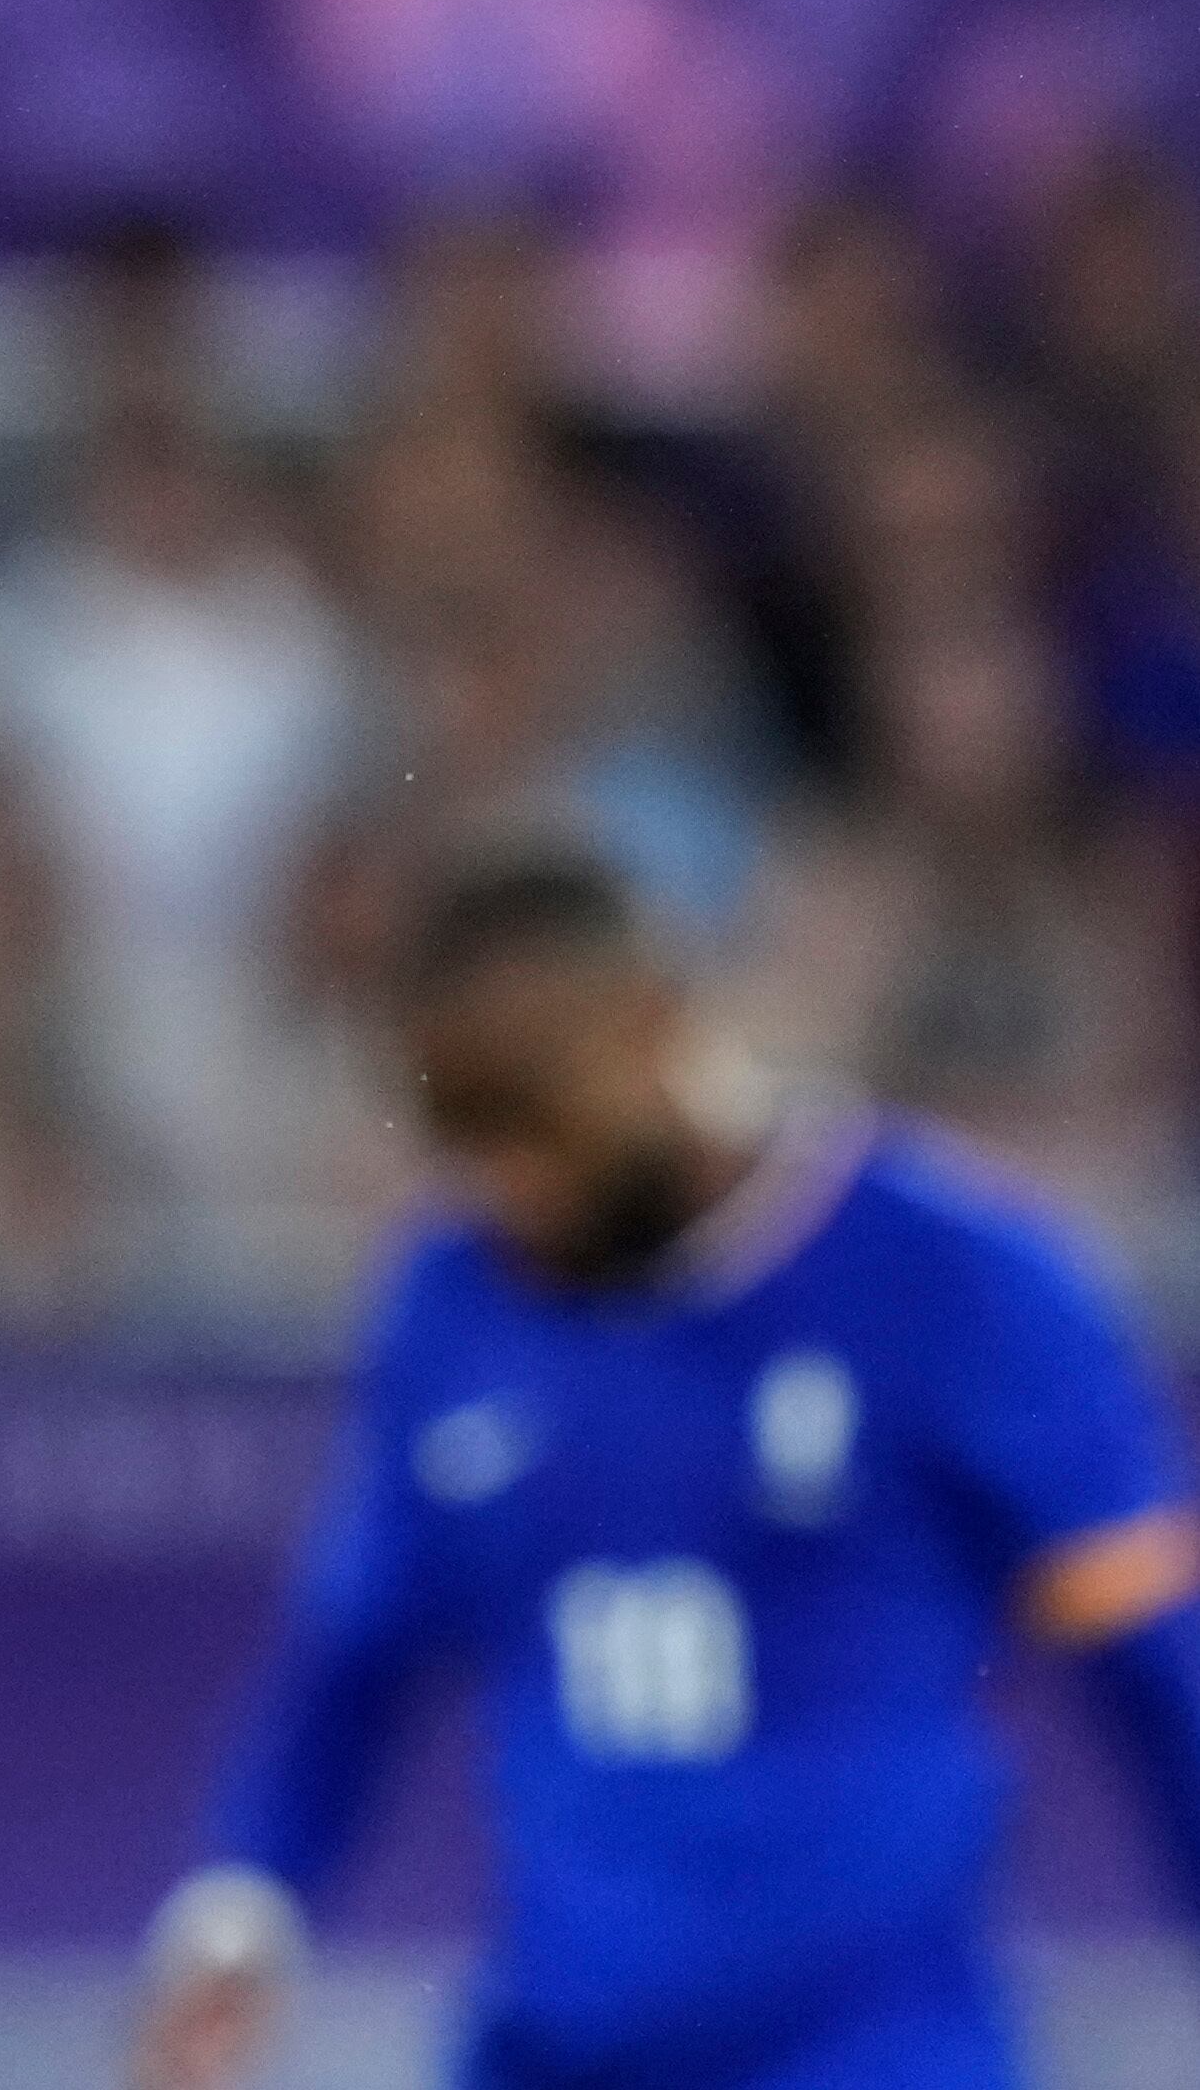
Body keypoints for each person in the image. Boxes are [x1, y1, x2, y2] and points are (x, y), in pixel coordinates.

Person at [131, 843, 1200, 2090]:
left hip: (874, 2050)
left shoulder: (953, 1276)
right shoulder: (453, 1300)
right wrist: (243, 1905)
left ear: (657, 1024)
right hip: (556, 2044)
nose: (511, 1181)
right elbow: (355, 1655)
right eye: (465, 1136)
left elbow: (1154, 1663)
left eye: (533, 1121)